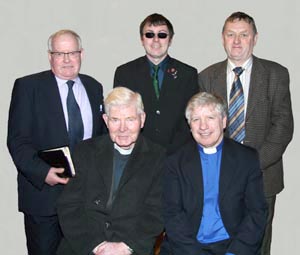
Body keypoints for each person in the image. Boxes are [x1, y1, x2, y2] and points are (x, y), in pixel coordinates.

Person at [198, 11, 294, 255]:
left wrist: (250, 166)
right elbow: (203, 128)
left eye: (244, 35)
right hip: (219, 181)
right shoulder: (207, 77)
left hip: (263, 177)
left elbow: (283, 127)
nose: (237, 41)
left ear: (255, 38)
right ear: (223, 39)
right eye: (231, 35)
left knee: (258, 245)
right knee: (222, 243)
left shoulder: (276, 74)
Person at [7, 29, 105, 255]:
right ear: (50, 56)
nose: (67, 59)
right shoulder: (28, 87)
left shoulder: (94, 87)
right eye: (60, 54)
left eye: (72, 52)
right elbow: (17, 141)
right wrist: (43, 172)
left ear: (82, 54)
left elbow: (99, 141)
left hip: (85, 202)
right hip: (44, 201)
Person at [56, 87, 165, 255]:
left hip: (131, 247)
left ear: (142, 119)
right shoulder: (85, 152)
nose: (123, 128)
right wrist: (96, 246)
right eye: (115, 120)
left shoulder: (158, 157)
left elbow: (155, 212)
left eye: (130, 119)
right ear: (106, 120)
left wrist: (125, 247)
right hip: (84, 246)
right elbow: (69, 206)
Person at [163, 92, 267, 255]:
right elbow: (172, 213)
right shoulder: (175, 161)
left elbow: (257, 212)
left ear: (224, 121)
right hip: (187, 248)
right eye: (196, 119)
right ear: (190, 125)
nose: (203, 126)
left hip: (232, 246)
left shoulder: (247, 158)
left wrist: (235, 252)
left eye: (210, 118)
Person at [114, 13, 199, 155]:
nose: (155, 40)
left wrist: (173, 152)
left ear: (170, 39)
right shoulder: (124, 73)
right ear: (142, 39)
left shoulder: (188, 74)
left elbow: (191, 118)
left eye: (162, 35)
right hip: (137, 155)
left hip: (178, 155)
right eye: (149, 34)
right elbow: (121, 116)